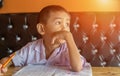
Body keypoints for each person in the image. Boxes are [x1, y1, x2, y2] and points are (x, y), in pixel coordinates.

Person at [0, 5, 86, 75]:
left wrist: (69, 39)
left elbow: (77, 67)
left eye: (67, 24)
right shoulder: (31, 48)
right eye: (58, 23)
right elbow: (10, 59)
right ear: (42, 29)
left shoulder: (67, 49)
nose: (65, 28)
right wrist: (2, 65)